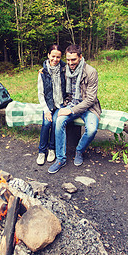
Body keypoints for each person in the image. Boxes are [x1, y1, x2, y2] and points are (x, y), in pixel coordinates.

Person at [48, 44, 101, 174]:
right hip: (71, 103)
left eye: (73, 60)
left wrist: (71, 111)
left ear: (80, 57)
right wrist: (42, 70)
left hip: (89, 107)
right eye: (68, 60)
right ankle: (60, 159)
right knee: (59, 121)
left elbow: (90, 99)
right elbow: (51, 68)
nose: (70, 63)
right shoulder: (65, 69)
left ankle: (79, 150)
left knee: (92, 129)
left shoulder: (91, 72)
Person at [36, 45, 67, 165]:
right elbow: (40, 94)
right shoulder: (42, 72)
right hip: (48, 106)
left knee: (55, 122)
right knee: (46, 123)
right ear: (48, 55)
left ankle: (52, 149)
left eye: (58, 57)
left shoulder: (64, 69)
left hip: (60, 105)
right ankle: (41, 151)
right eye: (53, 56)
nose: (55, 59)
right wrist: (46, 110)